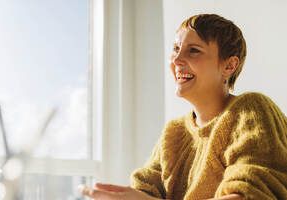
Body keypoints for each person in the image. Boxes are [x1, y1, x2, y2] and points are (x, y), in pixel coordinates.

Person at [80, 14, 287, 200]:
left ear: (229, 66)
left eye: (194, 51)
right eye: (176, 49)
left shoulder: (251, 110)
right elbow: (143, 190)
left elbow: (250, 194)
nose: (177, 60)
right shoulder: (174, 133)